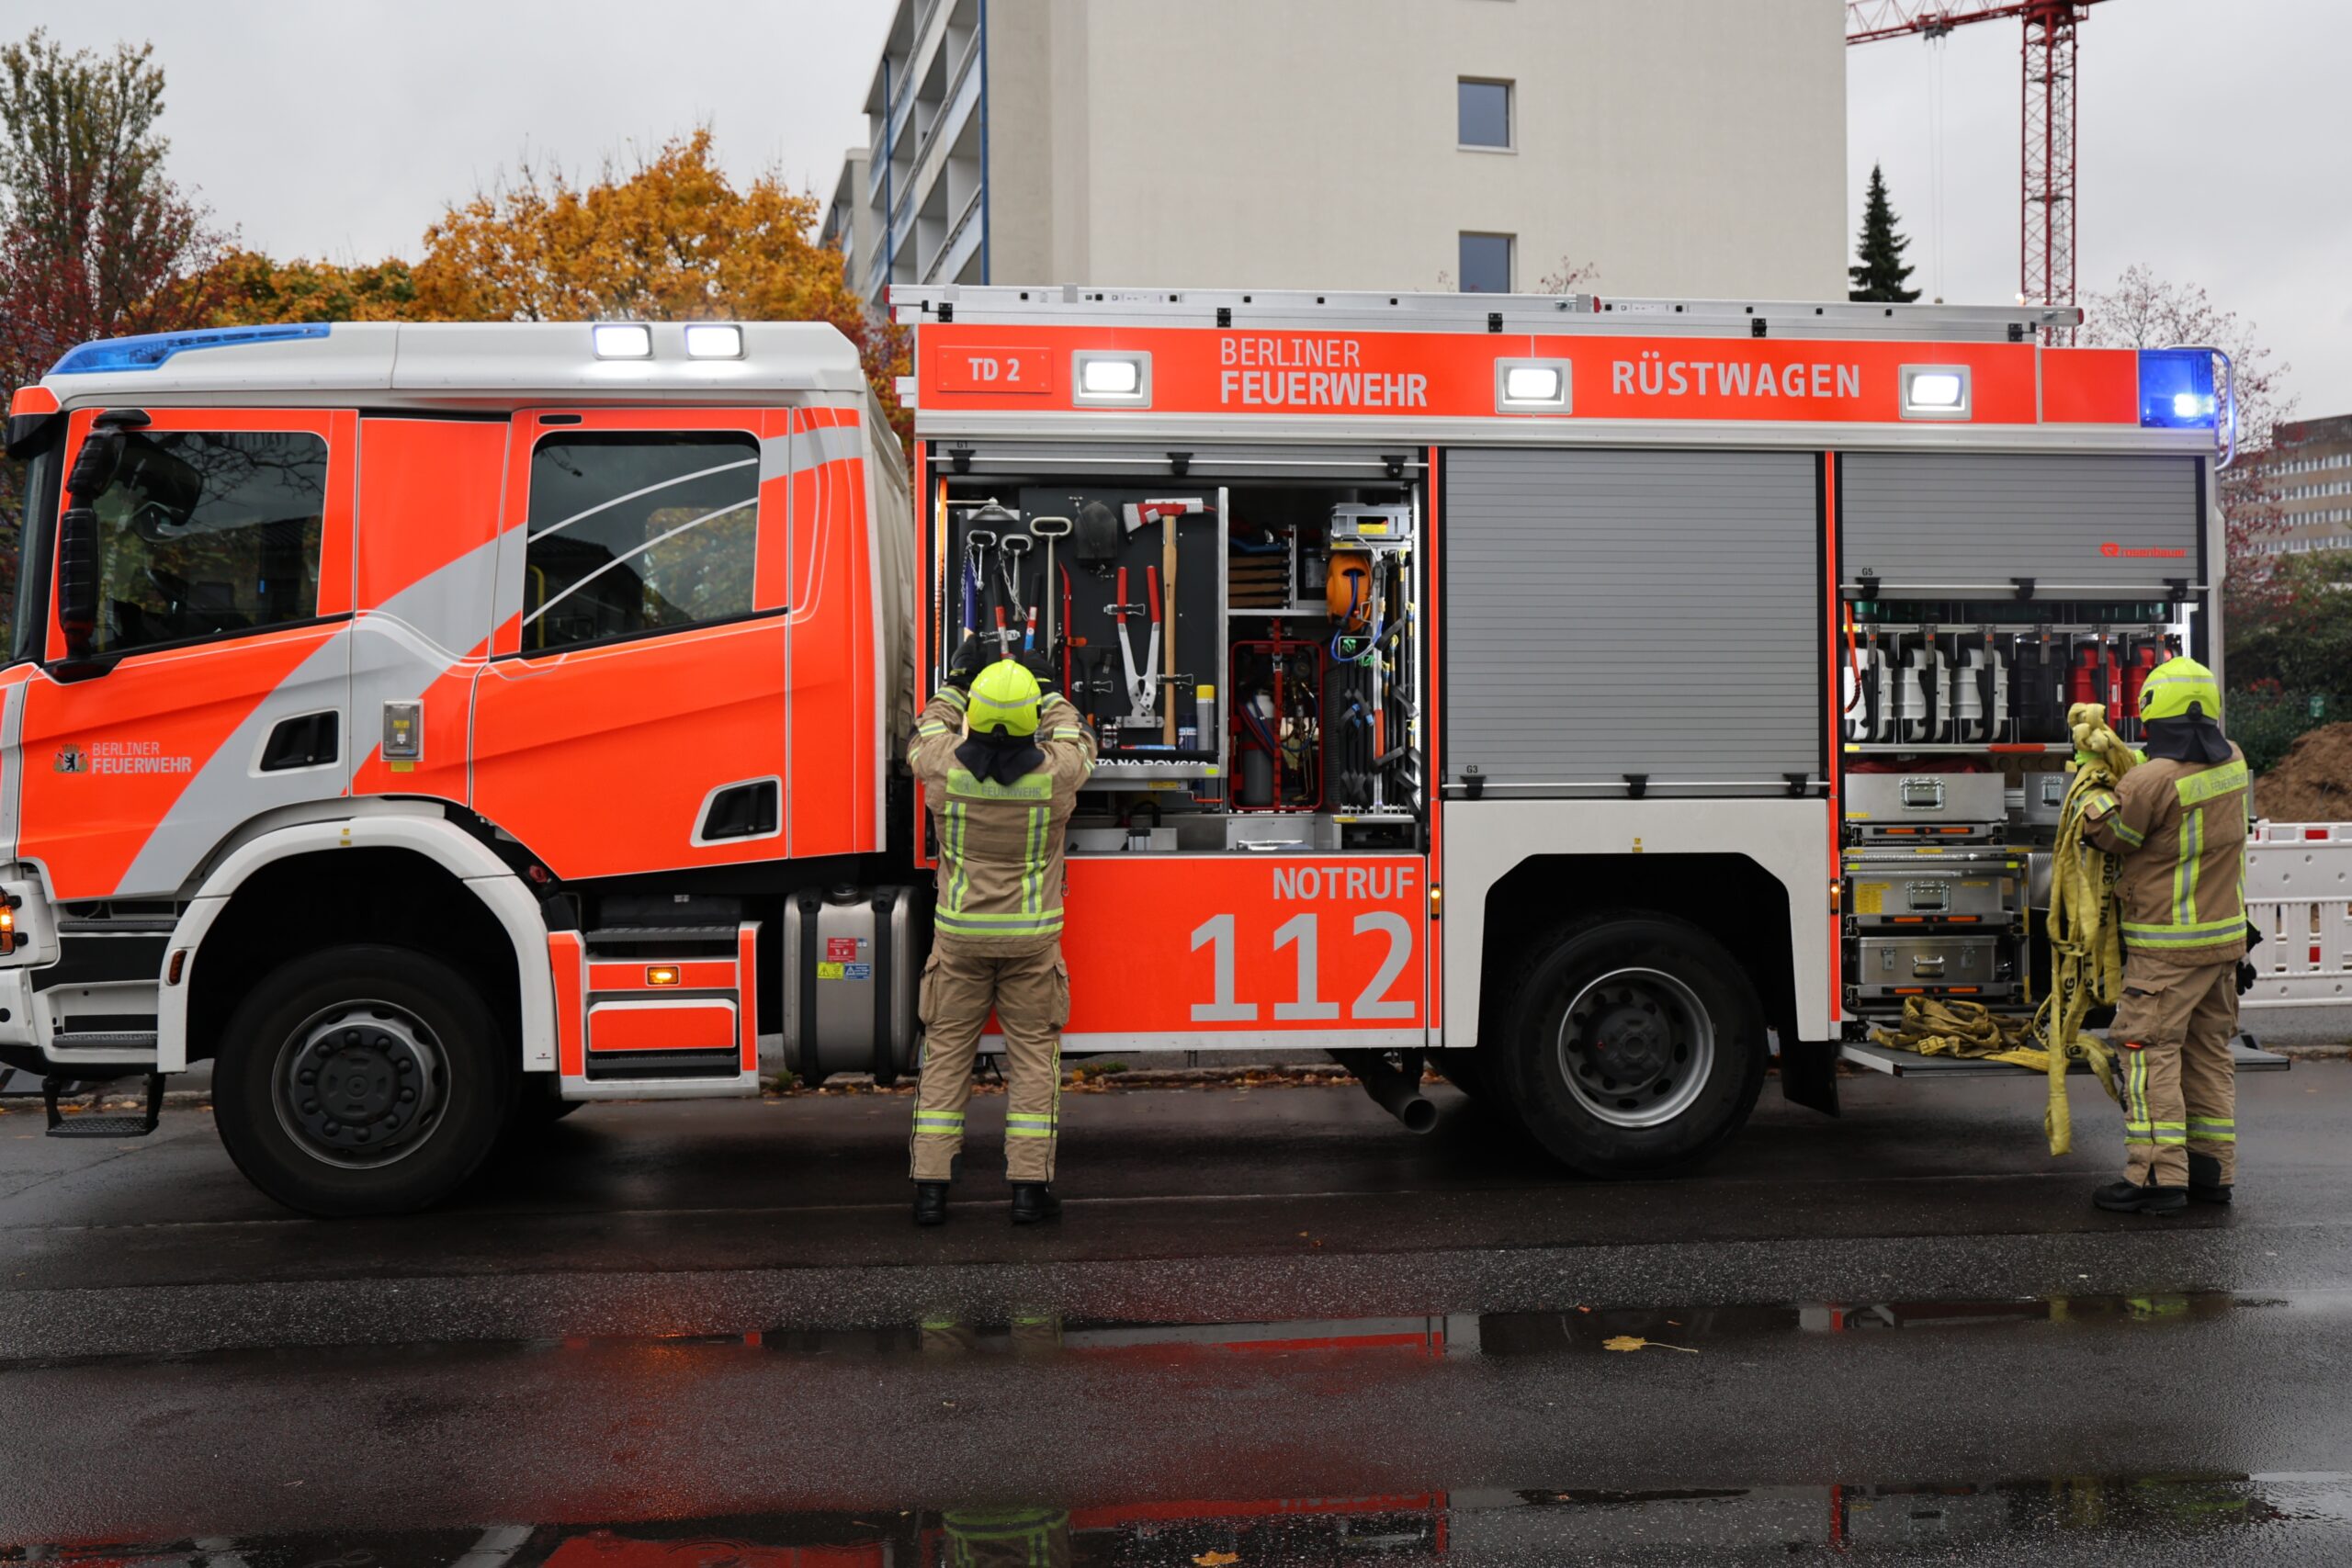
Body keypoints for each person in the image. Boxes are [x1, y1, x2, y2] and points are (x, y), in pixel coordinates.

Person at [904, 639, 1097, 1226]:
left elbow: (923, 731)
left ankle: (931, 1191)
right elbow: (1080, 740)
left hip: (959, 940)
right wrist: (1051, 692)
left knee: (945, 1059)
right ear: (1029, 719)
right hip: (1032, 945)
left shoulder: (942, 765)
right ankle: (1028, 1192)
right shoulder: (1057, 776)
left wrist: (956, 683)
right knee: (1034, 1061)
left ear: (977, 713)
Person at [2078, 656, 2253, 1214]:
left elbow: (2112, 833)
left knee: (2147, 1052)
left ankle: (2156, 1176)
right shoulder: (2234, 763)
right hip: (2221, 946)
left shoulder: (2151, 780)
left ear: (2153, 714)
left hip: (2167, 951)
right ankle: (2211, 1172)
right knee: (2207, 1054)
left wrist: (2089, 782)